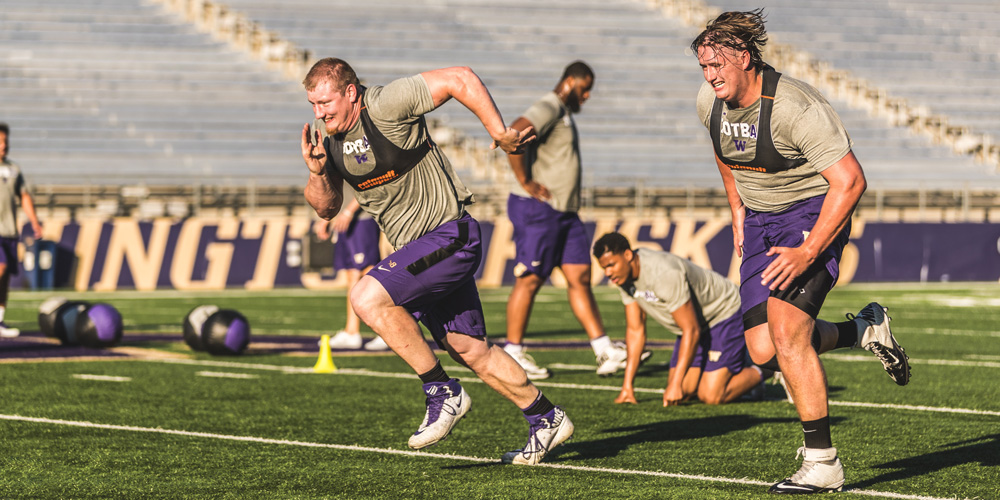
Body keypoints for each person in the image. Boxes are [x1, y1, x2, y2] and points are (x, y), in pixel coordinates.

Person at [300, 58, 572, 464]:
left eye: (325, 102)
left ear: (351, 93)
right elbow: (327, 209)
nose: (319, 113)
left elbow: (460, 78)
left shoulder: (385, 105)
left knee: (366, 298)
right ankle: (546, 417)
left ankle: (442, 391)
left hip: (449, 235)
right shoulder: (332, 141)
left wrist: (498, 131)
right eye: (313, 105)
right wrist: (318, 172)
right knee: (470, 349)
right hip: (422, 255)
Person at [691, 10, 910, 494]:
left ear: (744, 57)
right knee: (763, 350)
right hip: (761, 220)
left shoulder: (796, 107)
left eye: (717, 65)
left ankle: (823, 462)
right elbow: (725, 154)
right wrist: (737, 215)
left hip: (811, 214)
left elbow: (850, 181)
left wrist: (809, 250)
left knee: (789, 334)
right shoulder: (710, 100)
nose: (709, 76)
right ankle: (864, 328)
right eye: (703, 67)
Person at [503, 61, 636, 379]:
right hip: (540, 211)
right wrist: (524, 181)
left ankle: (603, 349)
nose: (587, 96)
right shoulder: (549, 105)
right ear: (571, 82)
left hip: (564, 212)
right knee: (531, 278)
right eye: (585, 88)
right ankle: (513, 351)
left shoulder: (561, 110)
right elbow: (514, 134)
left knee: (579, 278)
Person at [592, 232, 767, 406]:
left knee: (711, 395)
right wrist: (627, 387)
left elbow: (691, 330)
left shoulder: (663, 274)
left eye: (611, 265)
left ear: (628, 255)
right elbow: (635, 331)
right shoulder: (623, 278)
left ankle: (766, 368)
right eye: (604, 268)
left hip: (723, 312)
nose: (608, 273)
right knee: (684, 392)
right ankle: (736, 369)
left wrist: (675, 384)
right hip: (695, 323)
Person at [314, 189, 388, 351]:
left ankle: (385, 330)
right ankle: (352, 331)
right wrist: (328, 218)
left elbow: (367, 186)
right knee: (352, 276)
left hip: (362, 219)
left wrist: (348, 211)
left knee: (370, 276)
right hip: (346, 220)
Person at [0, 123, 43, 339]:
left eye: (5, 142)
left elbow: (24, 196)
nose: (3, 146)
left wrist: (34, 221)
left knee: (6, 276)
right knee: (1, 266)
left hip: (9, 231)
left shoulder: (14, 169)